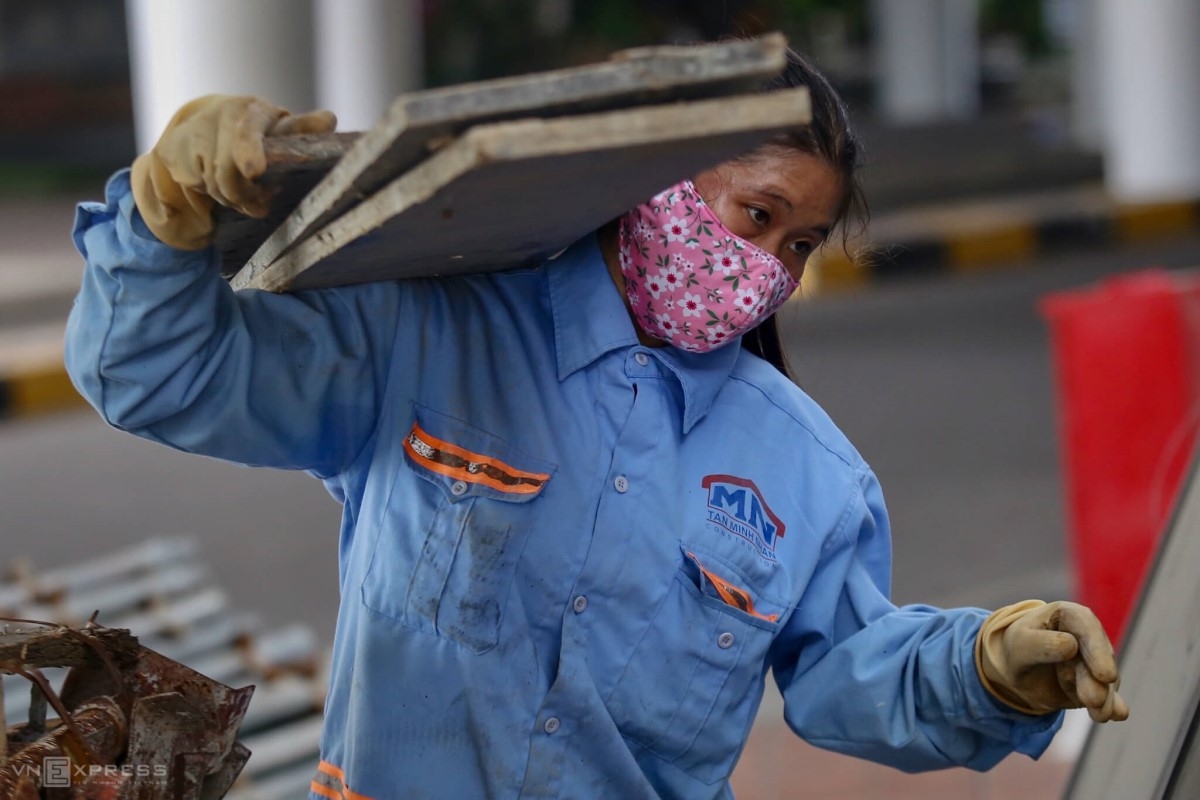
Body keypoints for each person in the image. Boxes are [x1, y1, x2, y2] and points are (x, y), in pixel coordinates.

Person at [64, 47, 1127, 800]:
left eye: (800, 246)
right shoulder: (429, 333)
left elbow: (851, 676)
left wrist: (983, 666)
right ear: (651, 184)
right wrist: (161, 223)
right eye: (756, 217)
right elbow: (155, 373)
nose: (767, 271)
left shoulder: (809, 473)